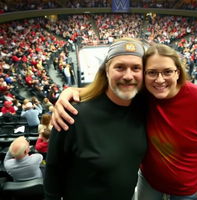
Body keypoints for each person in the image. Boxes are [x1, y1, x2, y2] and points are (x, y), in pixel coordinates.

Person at [52, 43, 197, 199]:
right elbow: (111, 90)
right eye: (152, 73)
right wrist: (69, 93)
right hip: (149, 184)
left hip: (189, 190)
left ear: (178, 72)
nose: (160, 80)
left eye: (167, 72)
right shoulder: (145, 96)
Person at [44, 38, 147, 200]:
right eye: (119, 67)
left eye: (136, 68)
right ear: (106, 70)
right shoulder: (72, 114)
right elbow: (53, 170)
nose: (128, 76)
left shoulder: (144, 109)